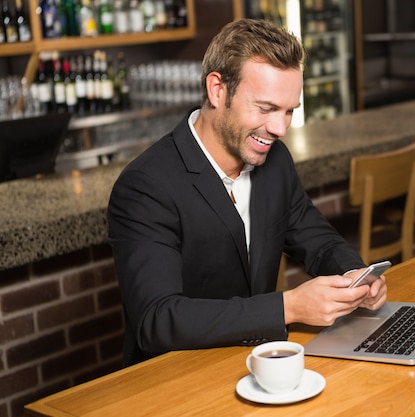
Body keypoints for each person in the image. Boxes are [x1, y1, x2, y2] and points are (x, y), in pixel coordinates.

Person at [107, 18, 387, 366]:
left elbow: (319, 240)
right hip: (173, 376)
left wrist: (356, 277)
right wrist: (289, 306)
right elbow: (157, 320)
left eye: (289, 111)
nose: (280, 128)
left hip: (259, 361)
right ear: (217, 90)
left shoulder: (275, 161)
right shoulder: (146, 186)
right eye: (266, 108)